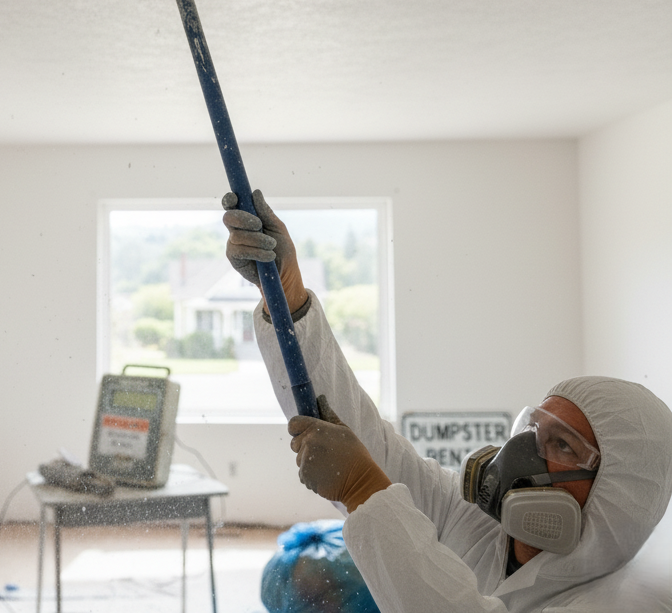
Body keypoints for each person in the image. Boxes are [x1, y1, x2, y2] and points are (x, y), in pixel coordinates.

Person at [223, 190, 672, 612]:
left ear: (616, 501)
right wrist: (287, 297)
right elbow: (363, 442)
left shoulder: (621, 602)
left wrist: (364, 490)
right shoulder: (479, 524)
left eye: (562, 445)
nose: (523, 451)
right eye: (533, 428)